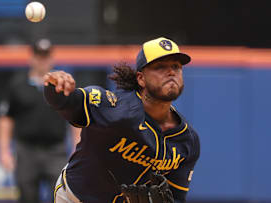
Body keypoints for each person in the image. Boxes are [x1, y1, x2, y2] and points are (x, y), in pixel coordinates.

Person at [44, 37, 200, 203]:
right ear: (141, 78)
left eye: (176, 66)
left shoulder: (187, 140)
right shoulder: (117, 107)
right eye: (160, 67)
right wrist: (56, 87)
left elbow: (177, 197)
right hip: (76, 197)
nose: (171, 72)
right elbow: (68, 102)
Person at [0, 38, 80, 203]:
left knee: (60, 197)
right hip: (26, 151)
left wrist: (77, 148)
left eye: (45, 56)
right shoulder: (17, 85)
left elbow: (75, 117)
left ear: (51, 58)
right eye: (39, 56)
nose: (42, 60)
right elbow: (6, 119)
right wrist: (4, 152)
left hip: (56, 151)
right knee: (27, 196)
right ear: (32, 58)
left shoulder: (63, 86)